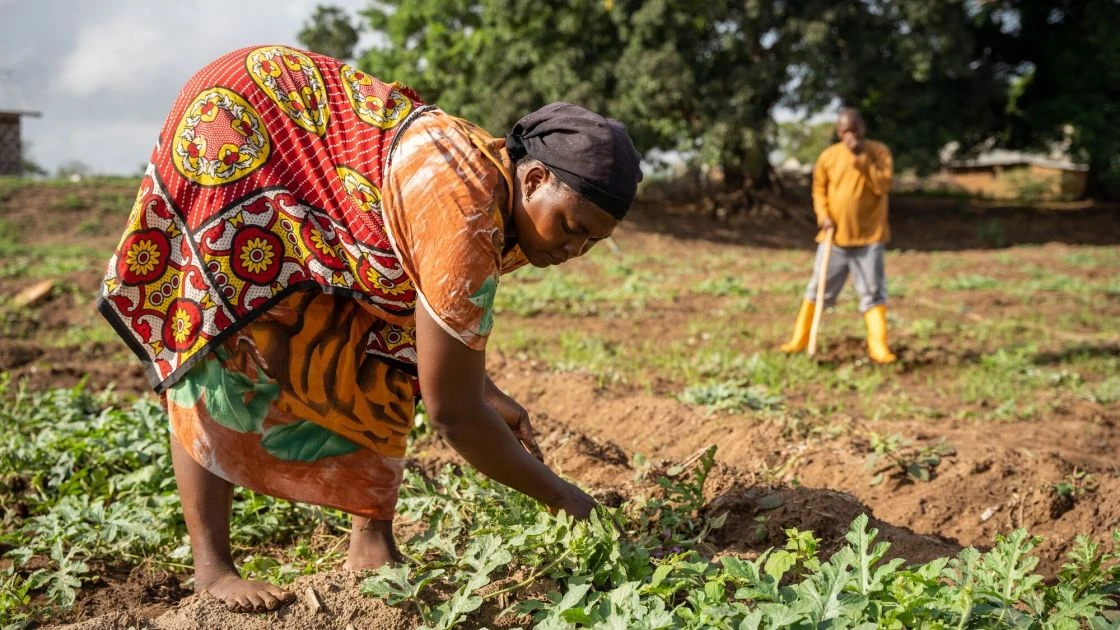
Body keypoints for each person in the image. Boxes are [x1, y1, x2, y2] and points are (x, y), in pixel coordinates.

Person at [98, 44, 642, 613]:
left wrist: (483, 387)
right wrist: (565, 499)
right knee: (221, 331)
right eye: (572, 226)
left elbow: (418, 313)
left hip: (311, 154)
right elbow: (451, 413)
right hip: (242, 125)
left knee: (381, 332)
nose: (573, 248)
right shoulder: (465, 211)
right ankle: (212, 569)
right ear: (531, 181)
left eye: (591, 242)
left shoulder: (496, 194)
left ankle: (371, 539)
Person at [780, 108, 897, 363]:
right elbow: (819, 189)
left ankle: (879, 348)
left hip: (869, 238)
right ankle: (799, 340)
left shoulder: (878, 153)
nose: (851, 137)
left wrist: (862, 161)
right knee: (817, 290)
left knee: (873, 292)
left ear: (862, 129)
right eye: (846, 132)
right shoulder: (828, 157)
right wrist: (822, 215)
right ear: (838, 132)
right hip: (834, 239)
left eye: (855, 131)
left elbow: (884, 185)